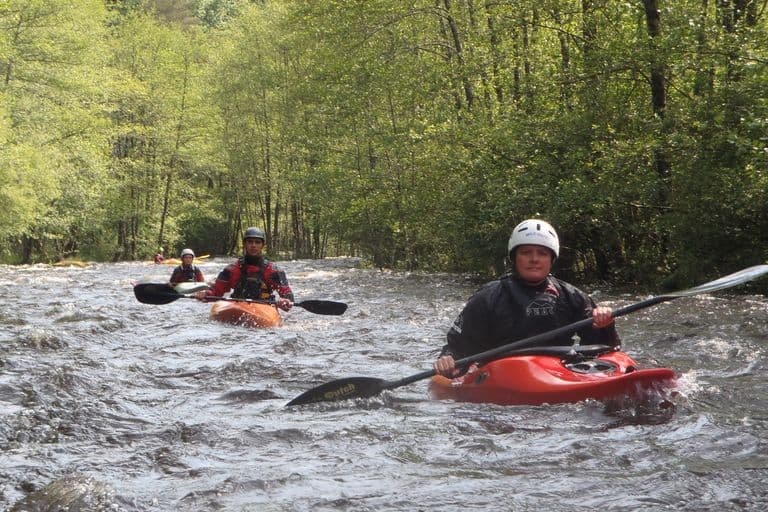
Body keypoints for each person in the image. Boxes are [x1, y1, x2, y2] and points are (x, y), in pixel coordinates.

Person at [434, 218, 620, 378]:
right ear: (514, 258)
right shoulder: (487, 297)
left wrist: (604, 324)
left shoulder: (571, 295)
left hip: (558, 370)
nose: (534, 259)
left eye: (542, 253)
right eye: (526, 253)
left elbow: (601, 349)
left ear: (551, 259)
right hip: (504, 372)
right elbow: (458, 347)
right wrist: (448, 360)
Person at [196, 227, 294, 311]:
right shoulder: (231, 270)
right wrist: (205, 295)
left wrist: (285, 301)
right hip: (237, 306)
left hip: (265, 307)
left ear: (262, 246)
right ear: (244, 244)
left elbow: (288, 295)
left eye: (257, 242)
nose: (253, 245)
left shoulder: (274, 271)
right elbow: (216, 293)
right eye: (250, 242)